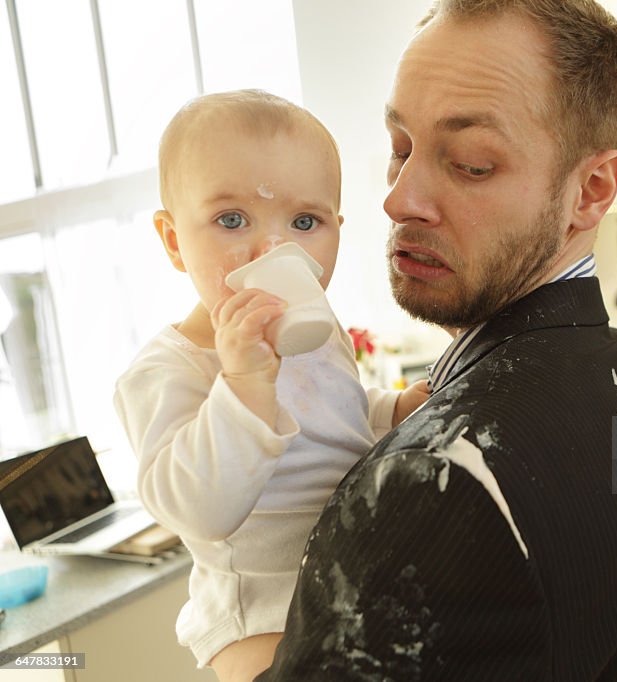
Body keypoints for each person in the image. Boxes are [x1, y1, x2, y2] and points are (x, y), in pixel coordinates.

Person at [258, 0, 617, 679]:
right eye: (401, 148)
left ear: (591, 190)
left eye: (470, 163)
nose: (399, 198)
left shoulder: (436, 478)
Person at [113, 90, 430, 682]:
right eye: (231, 220)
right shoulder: (168, 371)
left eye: (305, 222)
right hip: (261, 616)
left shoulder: (319, 329)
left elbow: (336, 412)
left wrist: (391, 411)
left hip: (351, 574)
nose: (274, 249)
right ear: (174, 241)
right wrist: (242, 384)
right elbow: (198, 511)